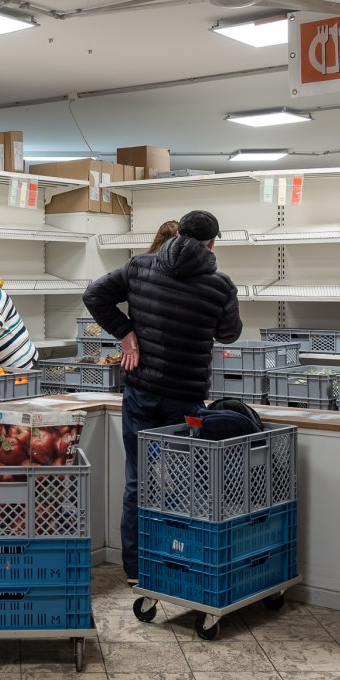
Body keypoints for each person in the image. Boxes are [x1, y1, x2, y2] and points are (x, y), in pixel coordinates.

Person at [83, 210, 242, 584]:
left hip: (141, 392)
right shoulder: (220, 285)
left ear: (178, 233)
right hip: (185, 399)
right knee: (187, 482)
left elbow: (94, 295)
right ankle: (180, 562)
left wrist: (126, 333)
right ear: (212, 243)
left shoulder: (139, 267)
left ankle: (136, 569)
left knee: (138, 480)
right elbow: (229, 334)